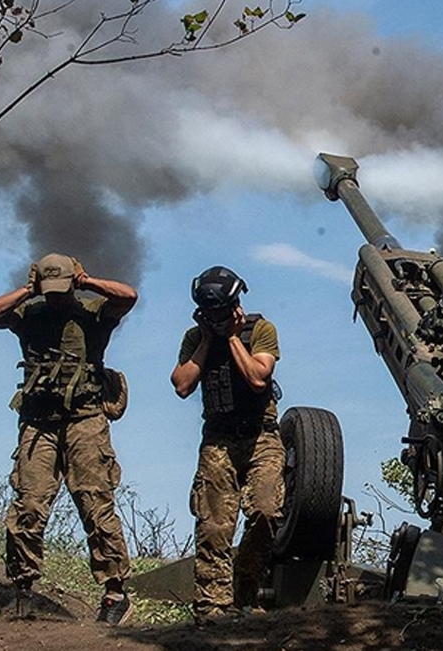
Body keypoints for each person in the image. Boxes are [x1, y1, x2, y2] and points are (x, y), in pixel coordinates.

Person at [0, 253, 137, 626]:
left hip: (85, 421)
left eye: (61, 289)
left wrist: (88, 281)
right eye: (48, 291)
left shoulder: (94, 313)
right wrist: (27, 290)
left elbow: (128, 296)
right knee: (28, 506)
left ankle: (115, 594)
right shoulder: (29, 315)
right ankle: (23, 591)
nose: (55, 297)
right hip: (38, 423)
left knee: (96, 505)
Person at [170, 266, 283, 621]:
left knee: (266, 511)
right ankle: (212, 605)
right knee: (214, 525)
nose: (217, 318)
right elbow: (182, 384)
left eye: (222, 310)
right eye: (210, 313)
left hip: (261, 436)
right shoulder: (194, 338)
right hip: (218, 439)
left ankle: (244, 591)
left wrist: (233, 338)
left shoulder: (260, 330)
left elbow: (256, 378)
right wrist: (207, 340)